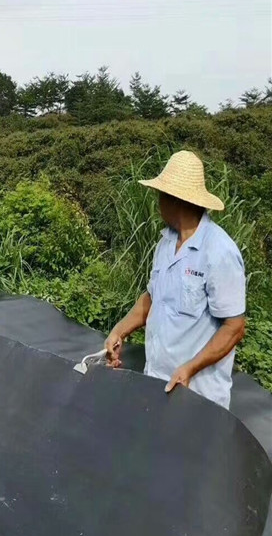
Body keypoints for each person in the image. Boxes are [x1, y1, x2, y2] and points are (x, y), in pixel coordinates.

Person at [105, 150, 246, 409]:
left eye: (160, 195)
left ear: (175, 200)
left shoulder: (219, 252)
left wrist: (190, 368)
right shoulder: (166, 243)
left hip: (197, 397)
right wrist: (119, 330)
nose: (158, 203)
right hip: (158, 383)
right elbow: (152, 298)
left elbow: (234, 327)